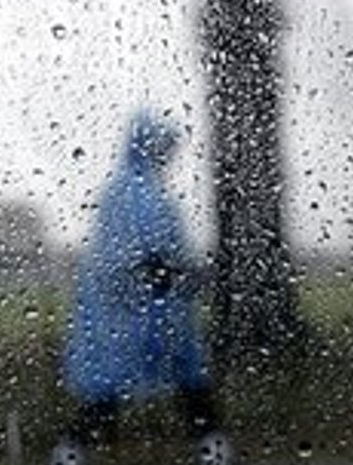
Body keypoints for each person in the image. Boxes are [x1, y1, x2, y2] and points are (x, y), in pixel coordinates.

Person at [50, 110, 233, 465]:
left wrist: (183, 274)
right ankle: (69, 453)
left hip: (159, 306)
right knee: (111, 389)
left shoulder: (143, 190)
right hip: (126, 312)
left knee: (183, 381)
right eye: (162, 147)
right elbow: (134, 256)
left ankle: (214, 449)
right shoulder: (130, 193)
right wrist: (180, 273)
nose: (167, 156)